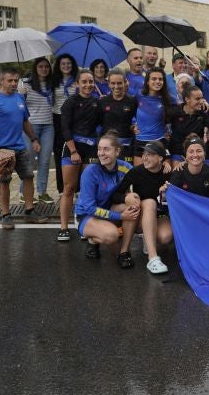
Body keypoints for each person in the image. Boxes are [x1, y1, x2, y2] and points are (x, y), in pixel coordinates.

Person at [0, 67, 46, 229]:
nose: (13, 83)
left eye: (16, 80)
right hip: (1, 149)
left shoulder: (19, 98)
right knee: (4, 181)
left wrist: (34, 139)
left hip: (20, 146)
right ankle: (6, 215)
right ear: (1, 80)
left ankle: (29, 211)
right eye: (9, 80)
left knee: (28, 176)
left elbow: (25, 122)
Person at [74, 132, 137, 261]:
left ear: (117, 151)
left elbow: (141, 180)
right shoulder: (90, 172)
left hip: (108, 209)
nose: (101, 153)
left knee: (133, 205)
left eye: (106, 149)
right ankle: (92, 241)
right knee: (112, 235)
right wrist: (120, 217)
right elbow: (90, 208)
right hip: (86, 215)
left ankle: (124, 252)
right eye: (99, 149)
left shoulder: (125, 167)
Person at [113, 141, 172, 274]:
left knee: (165, 237)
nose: (144, 157)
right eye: (144, 154)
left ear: (161, 158)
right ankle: (151, 258)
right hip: (139, 216)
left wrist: (165, 195)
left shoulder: (168, 173)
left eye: (150, 154)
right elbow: (115, 195)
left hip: (158, 216)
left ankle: (148, 239)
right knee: (146, 202)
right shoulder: (135, 172)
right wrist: (126, 198)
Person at [56, 70, 101, 242]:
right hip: (72, 148)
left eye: (91, 82)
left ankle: (85, 225)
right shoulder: (70, 102)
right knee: (69, 189)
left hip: (91, 149)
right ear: (77, 84)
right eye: (84, 82)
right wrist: (73, 151)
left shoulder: (97, 102)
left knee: (87, 189)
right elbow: (65, 128)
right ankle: (63, 227)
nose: (88, 85)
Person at [17, 57, 56, 204]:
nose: (44, 69)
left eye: (46, 66)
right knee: (28, 162)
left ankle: (42, 192)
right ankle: (23, 193)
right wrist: (20, 93)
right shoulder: (25, 84)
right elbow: (19, 106)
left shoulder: (52, 84)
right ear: (36, 68)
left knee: (45, 161)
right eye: (41, 66)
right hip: (30, 127)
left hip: (48, 126)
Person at [133, 67, 172, 166]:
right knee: (140, 176)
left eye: (160, 79)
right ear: (147, 81)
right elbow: (128, 111)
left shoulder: (168, 99)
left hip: (160, 141)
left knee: (165, 175)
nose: (158, 81)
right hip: (141, 141)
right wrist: (132, 124)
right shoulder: (138, 95)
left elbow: (183, 108)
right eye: (154, 79)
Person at [52, 53, 79, 196]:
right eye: (63, 64)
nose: (66, 66)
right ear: (59, 66)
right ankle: (62, 189)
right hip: (57, 119)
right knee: (59, 155)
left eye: (68, 63)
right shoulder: (54, 81)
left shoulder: (77, 81)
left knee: (75, 153)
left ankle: (77, 188)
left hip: (74, 120)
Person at [166, 84, 209, 169]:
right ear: (187, 99)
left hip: (196, 153)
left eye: (202, 98)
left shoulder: (204, 112)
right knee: (177, 173)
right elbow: (161, 123)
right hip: (177, 152)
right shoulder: (174, 112)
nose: (201, 101)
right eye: (197, 99)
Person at [100, 69, 138, 163]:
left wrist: (135, 126)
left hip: (126, 147)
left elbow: (138, 120)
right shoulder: (102, 101)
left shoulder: (132, 101)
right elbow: (98, 122)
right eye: (113, 83)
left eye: (119, 83)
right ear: (108, 84)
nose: (116, 86)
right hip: (107, 147)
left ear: (125, 83)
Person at [165, 134, 209, 199]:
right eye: (191, 151)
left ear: (204, 153)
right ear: (186, 155)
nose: (195, 155)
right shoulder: (178, 172)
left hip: (205, 207)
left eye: (199, 151)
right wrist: (163, 192)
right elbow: (170, 196)